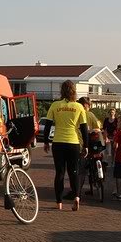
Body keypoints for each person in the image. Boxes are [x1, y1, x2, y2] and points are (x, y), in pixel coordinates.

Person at [41, 80, 89, 211]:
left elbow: (48, 125)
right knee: (74, 172)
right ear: (74, 91)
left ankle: (59, 202)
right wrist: (86, 145)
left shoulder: (55, 105)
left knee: (60, 173)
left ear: (62, 91)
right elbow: (84, 128)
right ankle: (77, 198)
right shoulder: (79, 107)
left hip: (58, 142)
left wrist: (46, 141)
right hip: (73, 143)